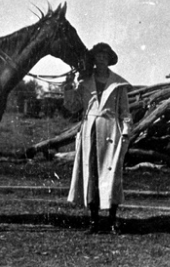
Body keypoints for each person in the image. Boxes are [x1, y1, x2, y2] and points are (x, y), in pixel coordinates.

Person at [65, 42, 132, 235]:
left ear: (109, 59)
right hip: (91, 132)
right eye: (97, 56)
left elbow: (125, 112)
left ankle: (112, 221)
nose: (100, 59)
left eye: (104, 56)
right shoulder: (85, 83)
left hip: (112, 132)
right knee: (91, 174)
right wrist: (69, 86)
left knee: (112, 176)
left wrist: (126, 133)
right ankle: (93, 221)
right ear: (93, 60)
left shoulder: (118, 84)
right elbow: (72, 106)